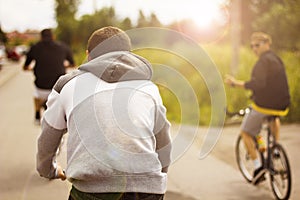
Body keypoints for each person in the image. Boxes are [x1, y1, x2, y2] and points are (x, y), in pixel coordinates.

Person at [36, 26, 172, 200]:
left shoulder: (66, 85)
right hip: (148, 192)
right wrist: (153, 177)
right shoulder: (148, 87)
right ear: (128, 55)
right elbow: (163, 142)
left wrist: (48, 170)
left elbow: (48, 140)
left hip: (91, 191)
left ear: (88, 54)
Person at [225, 32, 290, 185]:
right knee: (273, 117)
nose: (254, 48)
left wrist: (235, 83)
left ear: (267, 43)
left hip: (264, 105)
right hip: (282, 105)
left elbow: (257, 84)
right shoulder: (277, 59)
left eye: (257, 45)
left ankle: (257, 166)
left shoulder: (262, 62)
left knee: (246, 132)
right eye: (252, 46)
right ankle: (275, 147)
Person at [23, 29, 75, 125]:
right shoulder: (63, 47)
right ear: (53, 37)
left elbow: (25, 66)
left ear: (41, 37)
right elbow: (72, 64)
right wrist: (64, 66)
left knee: (36, 95)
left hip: (41, 87)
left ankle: (37, 116)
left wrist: (30, 69)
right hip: (58, 87)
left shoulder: (35, 47)